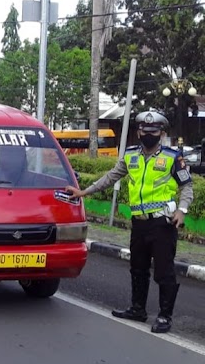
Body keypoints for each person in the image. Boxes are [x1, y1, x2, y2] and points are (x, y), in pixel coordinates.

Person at [65, 111, 192, 334]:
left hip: (163, 224)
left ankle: (164, 316)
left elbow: (186, 187)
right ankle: (137, 309)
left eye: (153, 132)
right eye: (144, 131)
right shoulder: (130, 155)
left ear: (161, 134)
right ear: (138, 132)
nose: (147, 135)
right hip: (139, 224)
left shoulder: (173, 158)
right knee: (138, 268)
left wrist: (182, 211)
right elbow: (111, 177)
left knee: (164, 272)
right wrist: (84, 191)